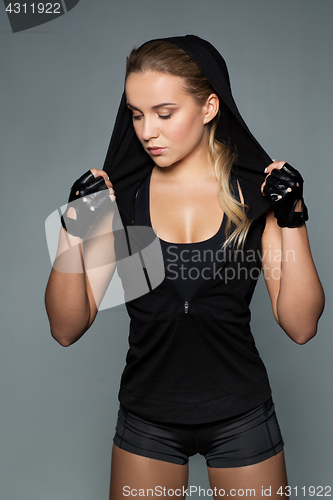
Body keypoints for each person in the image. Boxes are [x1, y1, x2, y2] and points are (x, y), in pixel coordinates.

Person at [45, 35, 325, 499]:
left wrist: (293, 217)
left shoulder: (256, 195)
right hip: (147, 418)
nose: (147, 130)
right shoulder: (120, 199)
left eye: (164, 113)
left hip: (242, 413)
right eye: (136, 114)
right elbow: (65, 327)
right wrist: (72, 230)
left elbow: (300, 326)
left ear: (210, 107)